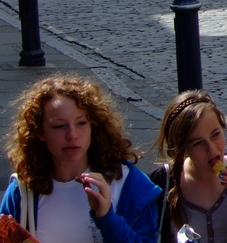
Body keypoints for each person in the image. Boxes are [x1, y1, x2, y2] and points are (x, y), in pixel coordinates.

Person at [0, 75, 161, 243]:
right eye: (59, 126)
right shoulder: (23, 191)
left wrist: (107, 219)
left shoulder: (127, 182)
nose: (72, 135)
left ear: (93, 126)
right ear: (40, 132)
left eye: (81, 123)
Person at [150, 91, 227, 243]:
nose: (211, 149)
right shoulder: (161, 182)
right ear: (182, 149)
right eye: (197, 143)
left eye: (216, 134)